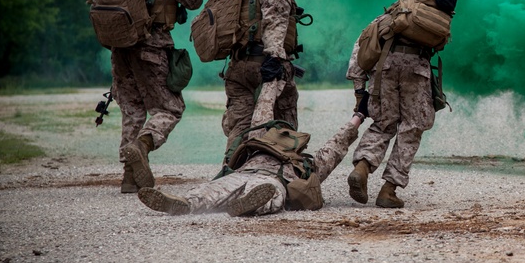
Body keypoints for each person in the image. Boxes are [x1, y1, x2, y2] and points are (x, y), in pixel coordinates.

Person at [137, 94, 370, 217]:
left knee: (255, 193)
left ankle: (196, 204)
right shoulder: (303, 162)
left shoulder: (261, 144)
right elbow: (337, 146)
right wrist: (358, 116)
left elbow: (262, 113)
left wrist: (271, 85)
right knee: (265, 194)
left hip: (257, 177)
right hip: (264, 178)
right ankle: (185, 204)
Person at [345, 0, 457, 209]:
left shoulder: (390, 17)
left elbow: (361, 48)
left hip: (384, 69)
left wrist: (359, 89)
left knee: (382, 123)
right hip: (417, 72)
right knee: (412, 128)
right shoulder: (432, 22)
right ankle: (389, 190)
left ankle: (362, 168)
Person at [114, 0, 204, 193]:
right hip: (152, 45)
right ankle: (143, 145)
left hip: (120, 47)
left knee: (132, 109)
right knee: (169, 108)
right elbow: (194, 0)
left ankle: (130, 177)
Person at [221, 0, 304, 152]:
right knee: (283, 125)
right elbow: (274, 23)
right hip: (267, 66)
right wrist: (274, 59)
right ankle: (277, 175)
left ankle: (230, 171)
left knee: (239, 128)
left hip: (238, 67)